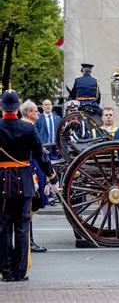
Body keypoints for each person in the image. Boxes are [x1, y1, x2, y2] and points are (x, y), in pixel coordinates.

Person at [0, 90, 59, 282]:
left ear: (2, 107)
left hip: (2, 181)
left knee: (3, 228)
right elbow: (41, 156)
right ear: (18, 108)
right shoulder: (28, 128)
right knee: (22, 227)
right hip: (24, 181)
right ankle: (21, 271)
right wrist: (52, 177)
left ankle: (6, 271)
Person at [20, 100, 49, 252]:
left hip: (32, 168)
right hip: (30, 170)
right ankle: (28, 241)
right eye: (36, 111)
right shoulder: (28, 127)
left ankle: (29, 240)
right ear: (29, 113)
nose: (38, 113)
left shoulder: (28, 126)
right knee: (31, 206)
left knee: (31, 207)